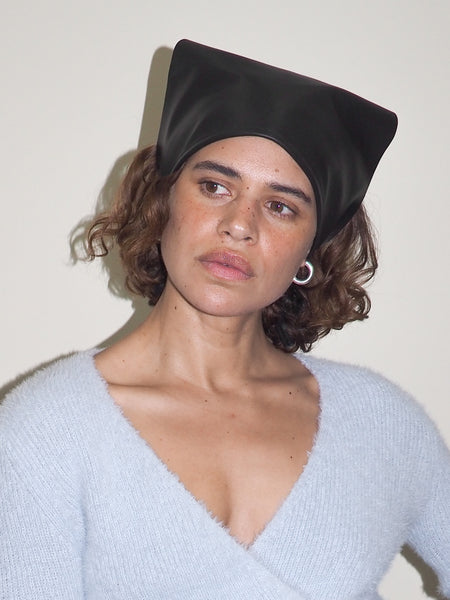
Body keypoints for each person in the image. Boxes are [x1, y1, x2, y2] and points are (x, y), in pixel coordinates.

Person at [1, 39, 449, 600]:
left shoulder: (381, 424)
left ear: (313, 248)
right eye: (215, 186)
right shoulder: (47, 432)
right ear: (162, 201)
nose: (239, 224)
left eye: (280, 206)